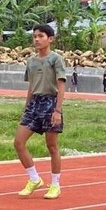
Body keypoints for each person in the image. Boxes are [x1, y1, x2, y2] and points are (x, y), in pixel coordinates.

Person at [13, 24, 66, 200]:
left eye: (41, 36)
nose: (36, 39)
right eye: (35, 36)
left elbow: (61, 85)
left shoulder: (55, 59)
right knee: (19, 142)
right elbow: (31, 86)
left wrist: (57, 110)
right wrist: (26, 107)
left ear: (50, 39)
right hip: (34, 104)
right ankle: (34, 179)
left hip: (50, 103)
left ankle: (55, 184)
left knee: (52, 146)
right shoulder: (31, 61)